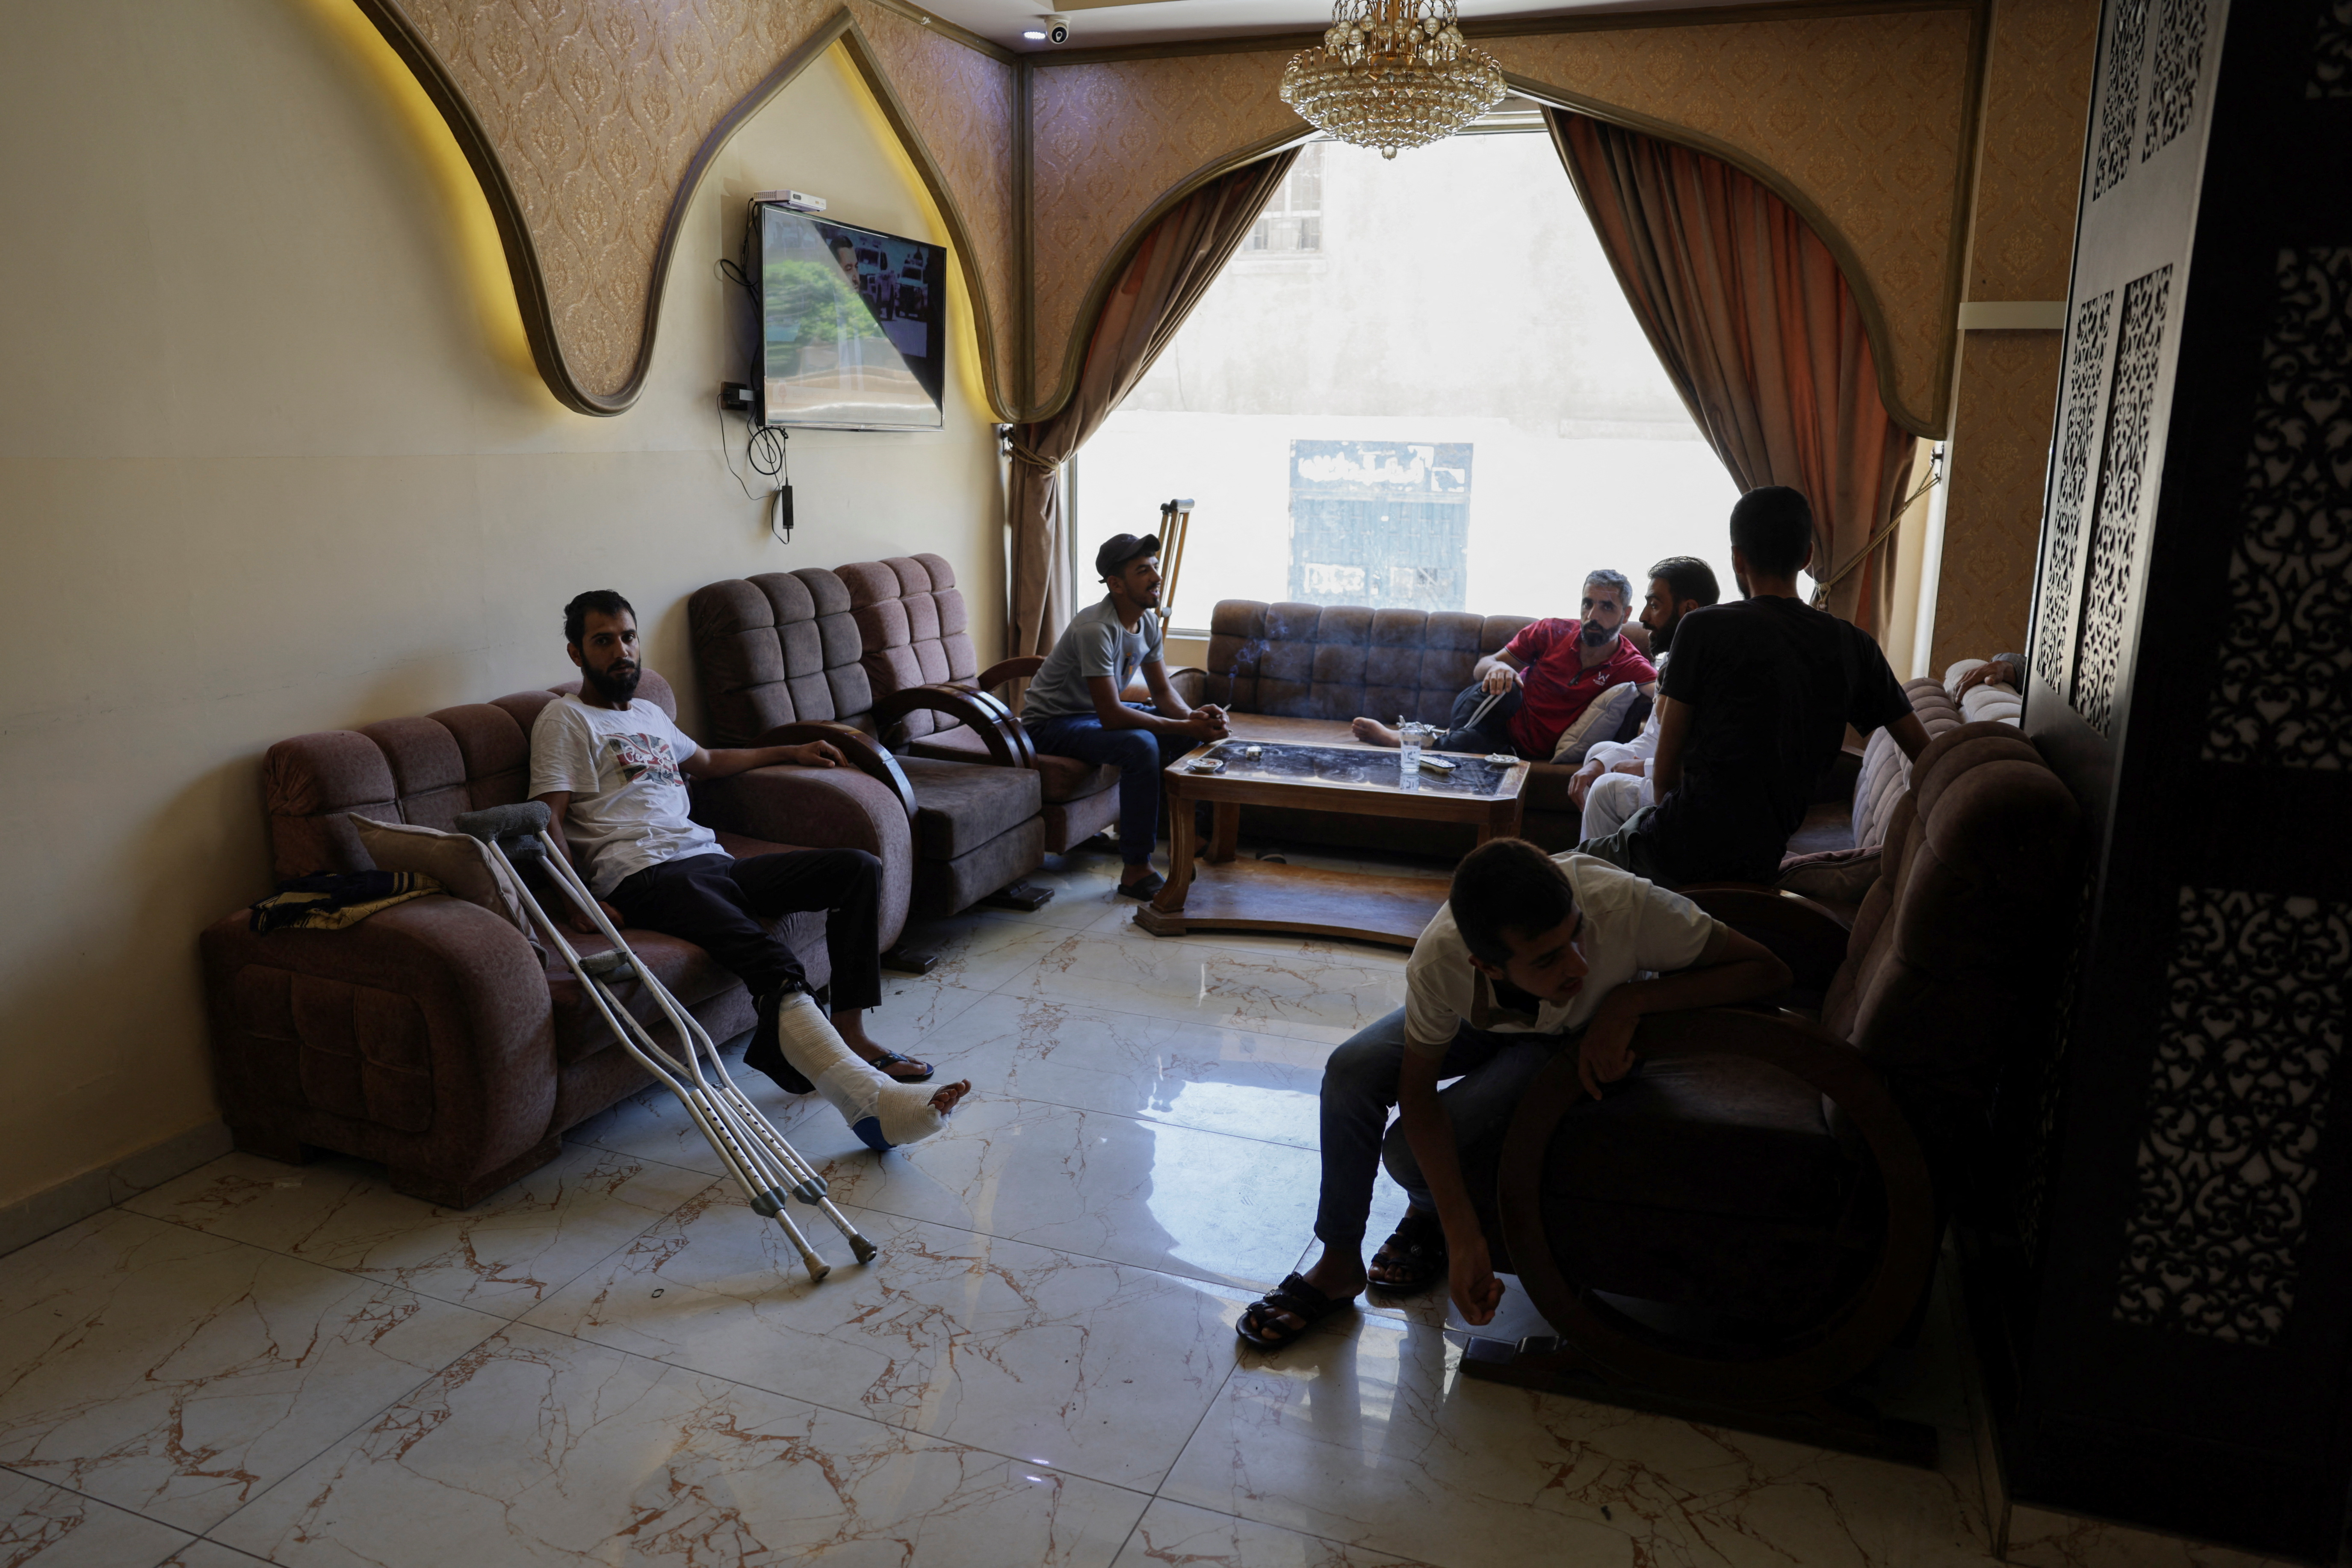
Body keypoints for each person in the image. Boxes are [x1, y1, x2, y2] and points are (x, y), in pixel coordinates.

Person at [1234, 838, 1791, 1348]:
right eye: (1549, 957)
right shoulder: (1442, 957)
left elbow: (1767, 969)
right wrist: (1466, 1233)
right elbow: (1418, 1093)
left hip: (1572, 1037)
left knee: (1407, 1153)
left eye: (1575, 933)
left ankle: (1423, 1214)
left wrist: (1629, 1002)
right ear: (1486, 964)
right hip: (1486, 1020)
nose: (1578, 962)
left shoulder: (1625, 906)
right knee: (1352, 1069)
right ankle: (1338, 1262)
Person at [529, 590, 970, 1135]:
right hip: (642, 875)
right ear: (576, 654)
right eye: (603, 641)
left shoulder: (647, 711)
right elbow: (547, 818)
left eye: (627, 637)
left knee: (857, 868)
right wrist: (579, 901)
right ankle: (866, 1102)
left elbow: (709, 762)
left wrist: (791, 751)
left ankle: (850, 1032)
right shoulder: (564, 718)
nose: (621, 651)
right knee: (767, 955)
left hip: (708, 859)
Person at [1577, 487, 1931, 888]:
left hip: (1680, 848)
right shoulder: (1855, 645)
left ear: (1737, 558)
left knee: (1560, 878)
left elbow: (1666, 769)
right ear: (1807, 556)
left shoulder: (1703, 628)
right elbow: (1927, 753)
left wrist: (1667, 869)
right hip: (1761, 855)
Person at [1019, 534, 1231, 899]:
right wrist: (1183, 722)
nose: (1156, 577)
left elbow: (1164, 694)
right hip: (1050, 723)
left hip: (1090, 715)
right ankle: (1136, 869)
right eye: (1143, 570)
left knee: (1190, 736)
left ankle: (1190, 840)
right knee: (1139, 744)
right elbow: (1113, 716)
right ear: (1116, 584)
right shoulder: (1096, 629)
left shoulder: (1146, 622)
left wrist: (1195, 719)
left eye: (1155, 567)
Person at [1351, 570, 1655, 760]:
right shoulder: (1551, 631)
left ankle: (1420, 739)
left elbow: (1665, 693)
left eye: (1606, 607)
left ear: (1625, 614)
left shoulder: (1628, 662)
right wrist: (1500, 668)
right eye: (1588, 603)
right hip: (1495, 709)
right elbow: (1483, 666)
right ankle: (1427, 740)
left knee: (1469, 743)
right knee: (1508, 689)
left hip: (1512, 747)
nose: (1592, 616)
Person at [1569, 556, 1720, 843]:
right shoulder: (1673, 662)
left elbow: (1706, 756)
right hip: (1671, 772)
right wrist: (1599, 763)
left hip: (1693, 789)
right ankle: (1621, 862)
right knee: (1598, 755)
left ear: (1689, 609)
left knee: (1604, 789)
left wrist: (1644, 767)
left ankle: (1603, 877)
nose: (1642, 617)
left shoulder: (1710, 666)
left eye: (1654, 605)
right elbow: (1653, 738)